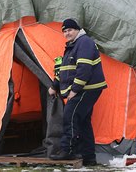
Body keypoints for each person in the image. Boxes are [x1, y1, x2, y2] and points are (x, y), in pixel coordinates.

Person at [48, 18, 107, 166]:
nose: (67, 33)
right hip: (85, 89)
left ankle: (67, 150)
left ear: (77, 30)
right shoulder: (72, 46)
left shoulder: (84, 42)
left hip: (87, 89)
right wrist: (55, 85)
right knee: (84, 122)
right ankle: (89, 158)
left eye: (70, 30)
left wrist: (75, 90)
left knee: (70, 116)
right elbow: (64, 70)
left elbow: (84, 69)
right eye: (65, 31)